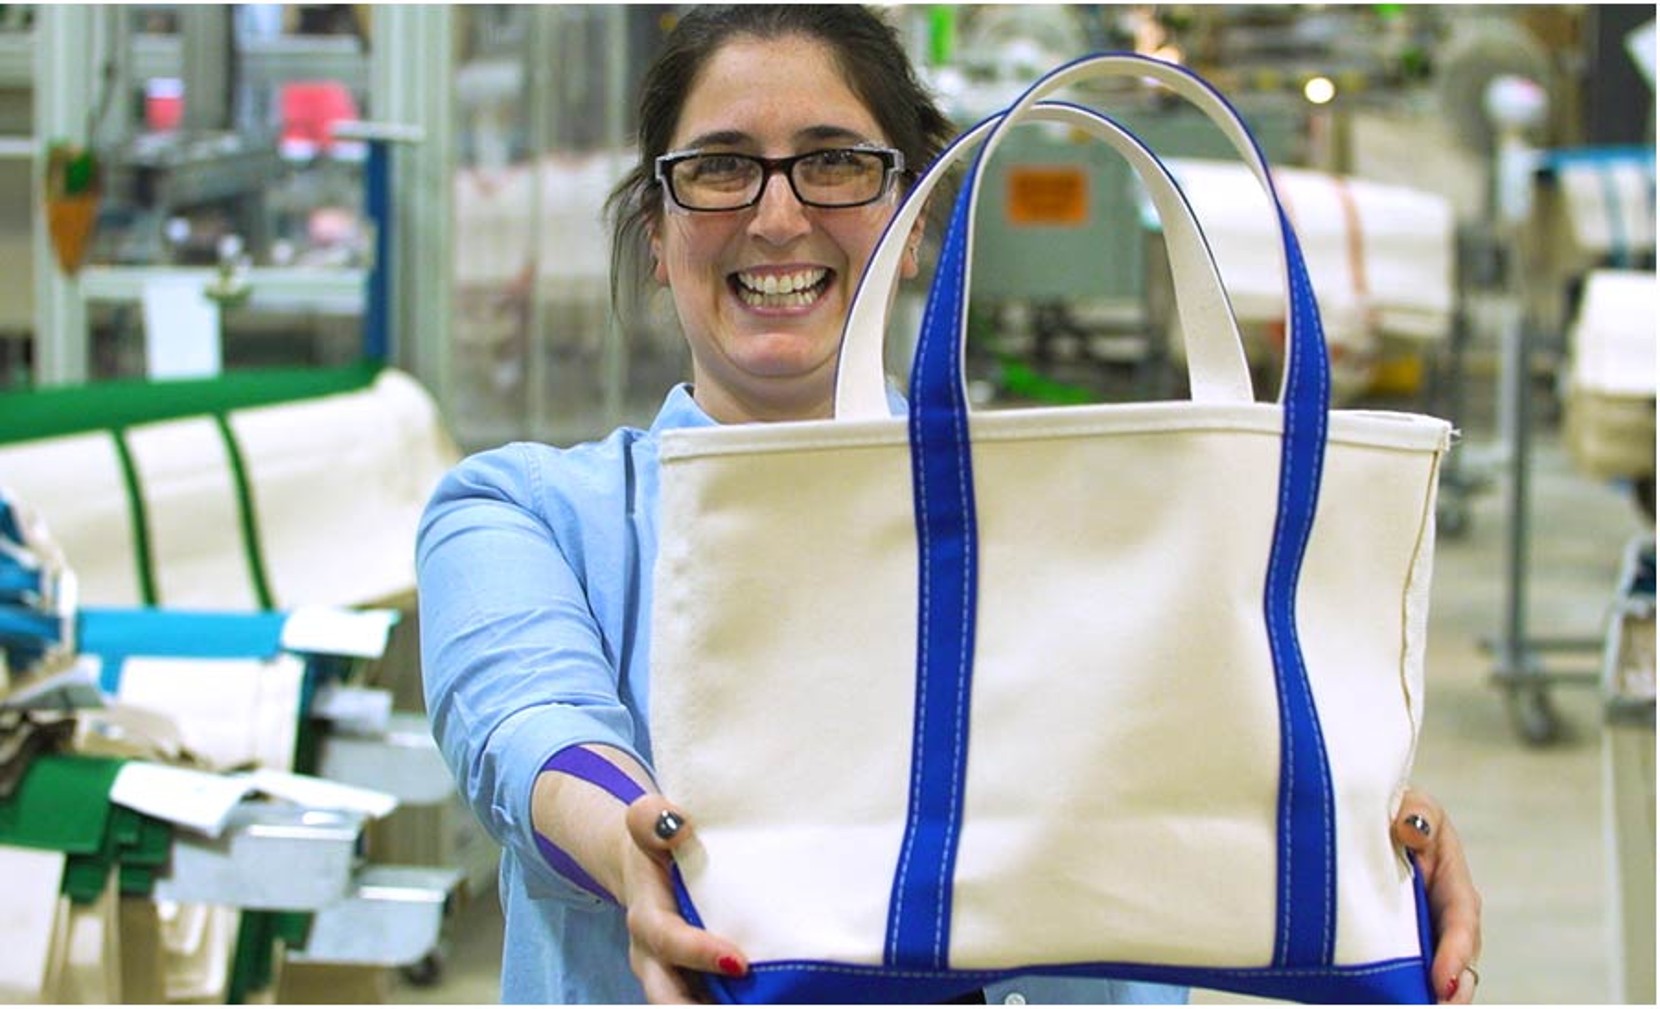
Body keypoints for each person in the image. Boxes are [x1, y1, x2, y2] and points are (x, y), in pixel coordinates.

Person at [417, 6, 1483, 1004]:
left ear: (912, 220)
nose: (778, 214)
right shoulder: (528, 512)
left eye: (835, 163)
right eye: (721, 167)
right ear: (656, 232)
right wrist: (626, 841)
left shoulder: (1069, 514)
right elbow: (528, 727)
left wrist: (1363, 824)